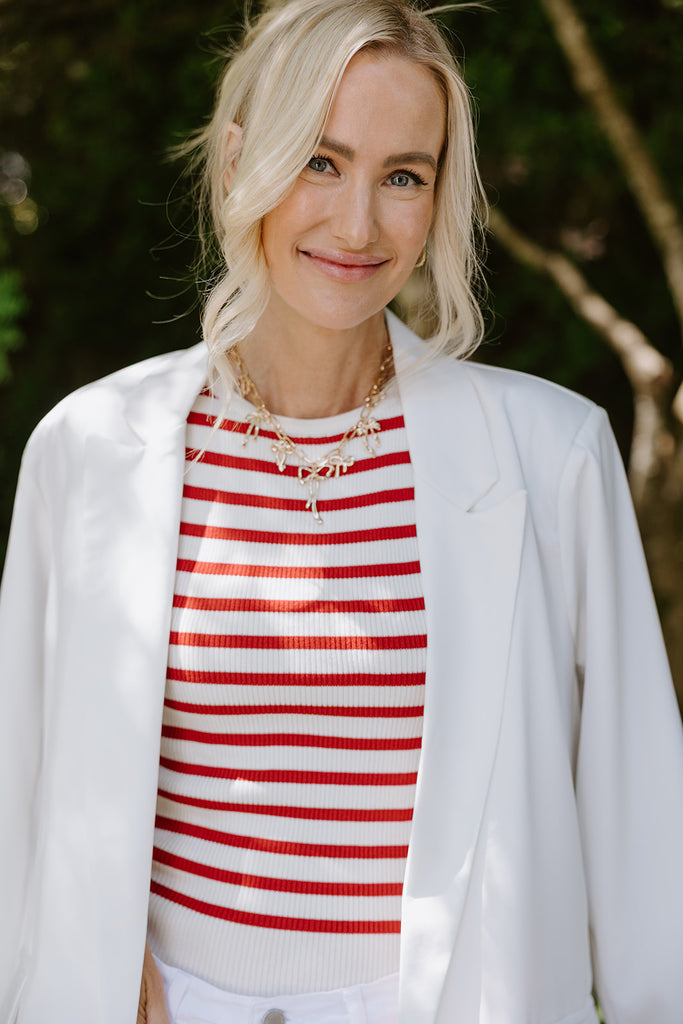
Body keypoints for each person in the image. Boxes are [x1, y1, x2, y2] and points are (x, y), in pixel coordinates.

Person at [1, 0, 682, 1021]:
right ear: (238, 161)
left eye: (401, 174)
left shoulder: (551, 457)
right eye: (319, 161)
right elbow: (22, 805)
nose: (357, 223)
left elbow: (647, 871)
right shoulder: (91, 450)